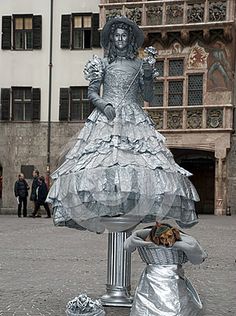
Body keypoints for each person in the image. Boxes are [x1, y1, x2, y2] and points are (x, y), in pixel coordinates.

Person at [47, 16, 199, 233]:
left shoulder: (139, 64)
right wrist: (103, 104)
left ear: (130, 39)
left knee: (141, 163)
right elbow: (91, 92)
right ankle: (108, 205)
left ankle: (129, 206)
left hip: (133, 119)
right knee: (101, 163)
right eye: (116, 35)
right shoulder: (102, 63)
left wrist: (147, 75)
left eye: (124, 35)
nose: (120, 39)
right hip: (106, 117)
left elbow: (148, 97)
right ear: (111, 38)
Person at [124, 223, 207, 316]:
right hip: (163, 270)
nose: (167, 242)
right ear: (157, 239)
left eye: (169, 237)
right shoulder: (150, 240)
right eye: (163, 239)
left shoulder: (179, 238)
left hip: (164, 271)